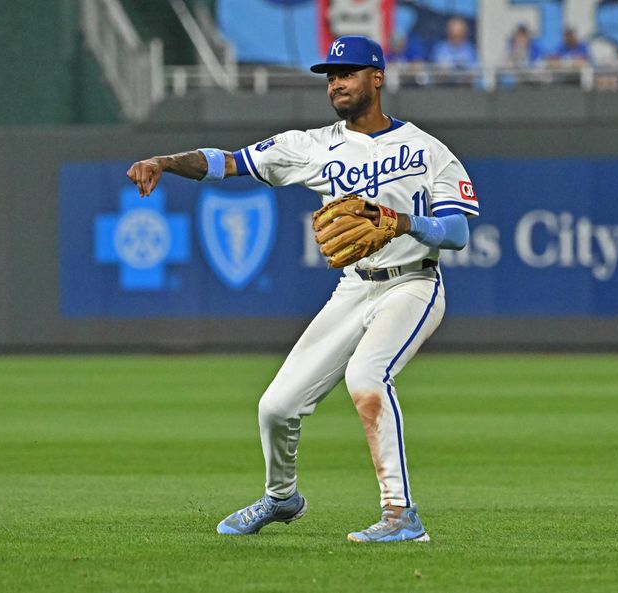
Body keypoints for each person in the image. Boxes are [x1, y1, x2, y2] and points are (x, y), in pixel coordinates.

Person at [127, 35, 479, 543]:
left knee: (367, 377)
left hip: (414, 285)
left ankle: (402, 516)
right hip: (354, 288)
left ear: (376, 78)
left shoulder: (427, 150)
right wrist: (164, 161)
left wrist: (400, 221)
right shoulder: (311, 146)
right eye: (331, 75)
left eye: (349, 72)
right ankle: (281, 497)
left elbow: (459, 233)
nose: (337, 82)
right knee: (275, 407)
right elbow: (228, 161)